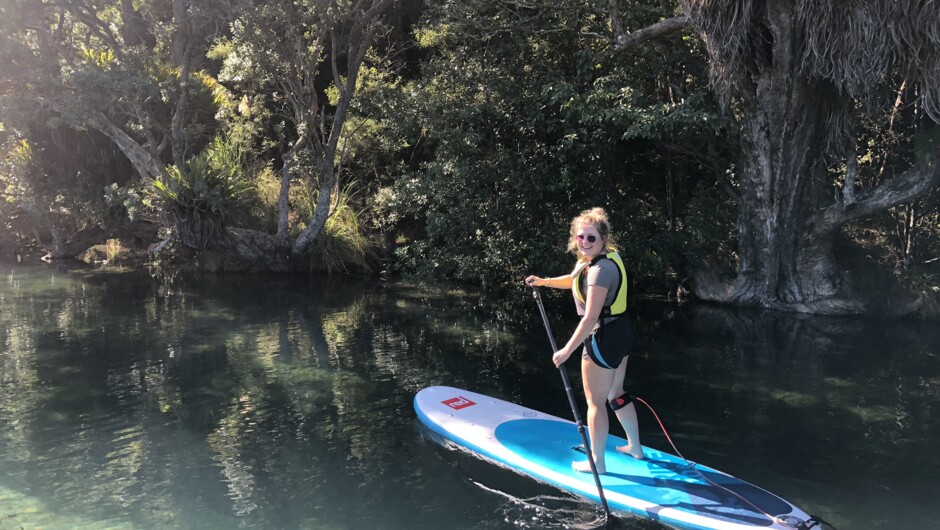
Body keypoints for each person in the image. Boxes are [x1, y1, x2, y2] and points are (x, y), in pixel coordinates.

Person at [525, 207, 644, 474]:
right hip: (622, 331)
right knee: (617, 394)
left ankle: (597, 463)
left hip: (603, 338)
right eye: (581, 237)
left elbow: (590, 318)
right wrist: (544, 282)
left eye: (591, 238)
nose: (584, 242)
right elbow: (574, 279)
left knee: (595, 403)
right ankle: (635, 447)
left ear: (603, 239)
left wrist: (567, 350)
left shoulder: (600, 271)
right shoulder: (600, 259)